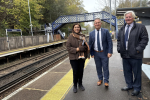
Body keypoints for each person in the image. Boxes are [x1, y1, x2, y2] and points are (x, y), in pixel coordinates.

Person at [117, 11, 149, 96]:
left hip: (136, 55)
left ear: (133, 17)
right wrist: (119, 49)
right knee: (127, 72)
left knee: (137, 73)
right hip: (125, 54)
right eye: (126, 17)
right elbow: (119, 40)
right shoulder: (122, 28)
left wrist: (138, 49)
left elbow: (145, 39)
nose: (128, 18)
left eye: (129, 17)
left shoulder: (140, 27)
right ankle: (129, 85)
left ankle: (137, 88)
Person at [89, 18, 113, 87]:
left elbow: (109, 42)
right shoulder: (91, 33)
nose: (97, 24)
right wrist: (92, 53)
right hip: (96, 53)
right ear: (94, 24)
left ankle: (106, 81)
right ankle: (100, 79)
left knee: (105, 67)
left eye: (98, 22)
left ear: (101, 23)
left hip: (104, 53)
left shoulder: (105, 31)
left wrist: (110, 52)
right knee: (98, 67)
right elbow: (90, 44)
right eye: (96, 23)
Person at [66, 23, 90, 93]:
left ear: (80, 28)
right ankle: (75, 85)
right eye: (75, 27)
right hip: (73, 58)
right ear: (73, 28)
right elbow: (68, 47)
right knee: (75, 72)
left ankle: (80, 84)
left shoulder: (83, 36)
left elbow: (86, 46)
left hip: (82, 57)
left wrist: (83, 48)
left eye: (78, 27)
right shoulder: (70, 37)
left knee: (81, 71)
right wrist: (77, 49)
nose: (77, 28)